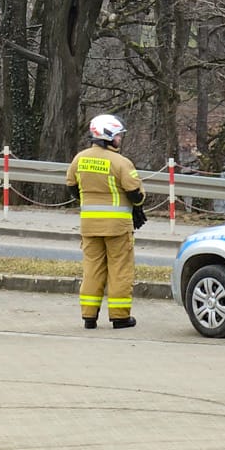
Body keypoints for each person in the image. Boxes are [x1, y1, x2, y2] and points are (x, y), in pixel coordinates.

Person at [66, 114, 145, 330]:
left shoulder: (79, 159)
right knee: (120, 270)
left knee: (92, 269)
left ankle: (89, 316)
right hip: (118, 228)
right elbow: (136, 194)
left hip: (89, 226)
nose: (120, 138)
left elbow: (72, 187)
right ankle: (120, 317)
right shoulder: (121, 162)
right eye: (118, 135)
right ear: (108, 135)